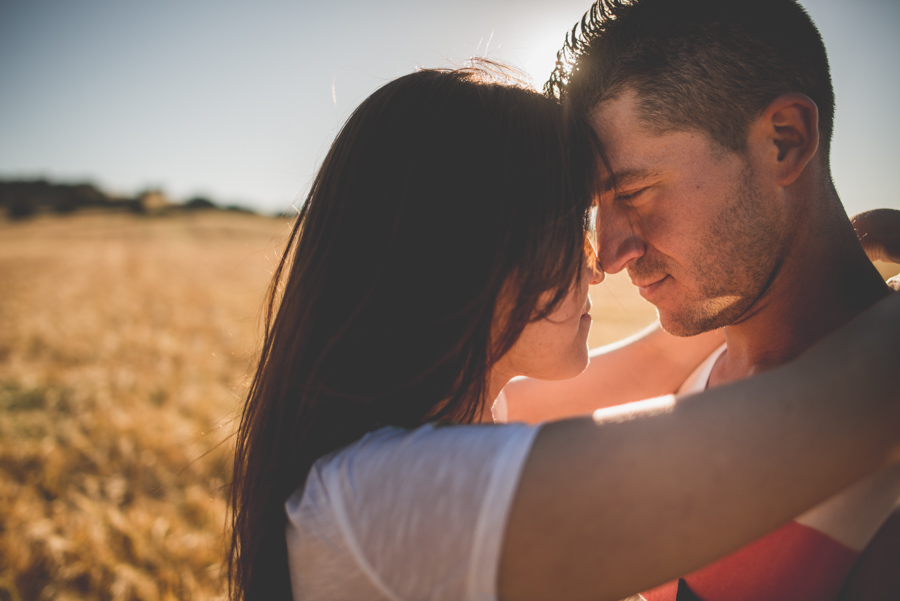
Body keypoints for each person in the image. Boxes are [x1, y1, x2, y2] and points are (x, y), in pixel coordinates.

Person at [228, 64, 900, 601]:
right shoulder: (388, 503)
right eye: (571, 222)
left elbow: (658, 359)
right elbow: (846, 405)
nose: (600, 261)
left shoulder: (459, 418)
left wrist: (819, 246)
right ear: (466, 250)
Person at [501, 1, 900, 599]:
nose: (608, 255)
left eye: (634, 191)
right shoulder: (687, 371)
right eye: (595, 208)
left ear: (785, 141)